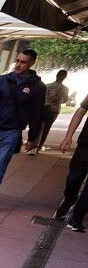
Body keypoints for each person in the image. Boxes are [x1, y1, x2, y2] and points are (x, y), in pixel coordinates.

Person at [0, 49, 46, 213]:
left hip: (12, 132)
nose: (18, 64)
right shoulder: (2, 80)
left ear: (31, 63)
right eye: (17, 60)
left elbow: (36, 114)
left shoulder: (37, 87)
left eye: (23, 62)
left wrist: (32, 138)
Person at [56, 93, 88, 230]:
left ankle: (77, 217)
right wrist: (69, 136)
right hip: (86, 145)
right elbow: (80, 111)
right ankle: (69, 199)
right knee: (74, 178)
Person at [38, 70, 70, 153]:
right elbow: (65, 100)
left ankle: (33, 145)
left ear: (56, 75)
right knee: (46, 129)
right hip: (54, 111)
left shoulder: (47, 85)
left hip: (43, 108)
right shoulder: (65, 89)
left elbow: (40, 97)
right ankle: (39, 146)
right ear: (65, 77)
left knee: (39, 127)